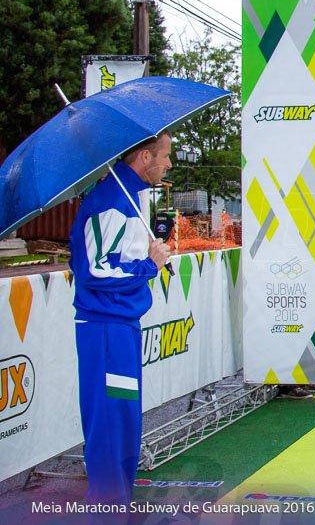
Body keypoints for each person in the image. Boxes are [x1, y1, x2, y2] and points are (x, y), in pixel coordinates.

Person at [69, 131, 174, 505]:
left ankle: (115, 507)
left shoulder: (132, 195)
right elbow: (94, 272)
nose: (169, 164)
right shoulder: (113, 198)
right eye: (165, 156)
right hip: (105, 328)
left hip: (119, 326)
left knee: (124, 425)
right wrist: (149, 265)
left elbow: (112, 259)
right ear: (144, 157)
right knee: (112, 426)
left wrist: (144, 256)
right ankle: (107, 511)